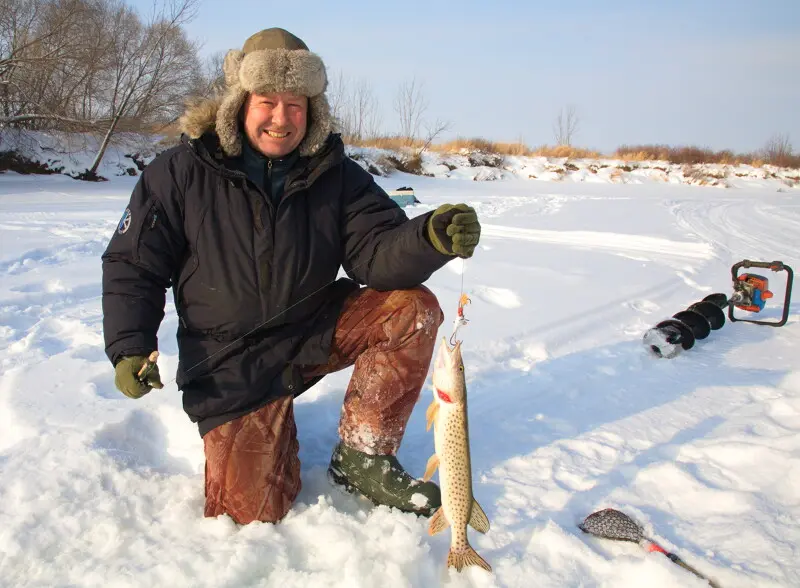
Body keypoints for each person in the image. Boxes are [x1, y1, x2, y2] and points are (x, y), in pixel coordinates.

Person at [101, 27, 481, 525]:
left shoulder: (337, 174)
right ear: (240, 102)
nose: (282, 119)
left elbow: (375, 252)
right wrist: (129, 346)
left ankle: (364, 458)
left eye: (296, 104)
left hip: (312, 330)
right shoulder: (180, 173)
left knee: (411, 310)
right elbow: (135, 263)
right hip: (231, 366)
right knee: (254, 515)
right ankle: (264, 429)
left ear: (313, 108)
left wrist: (427, 237)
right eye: (267, 101)